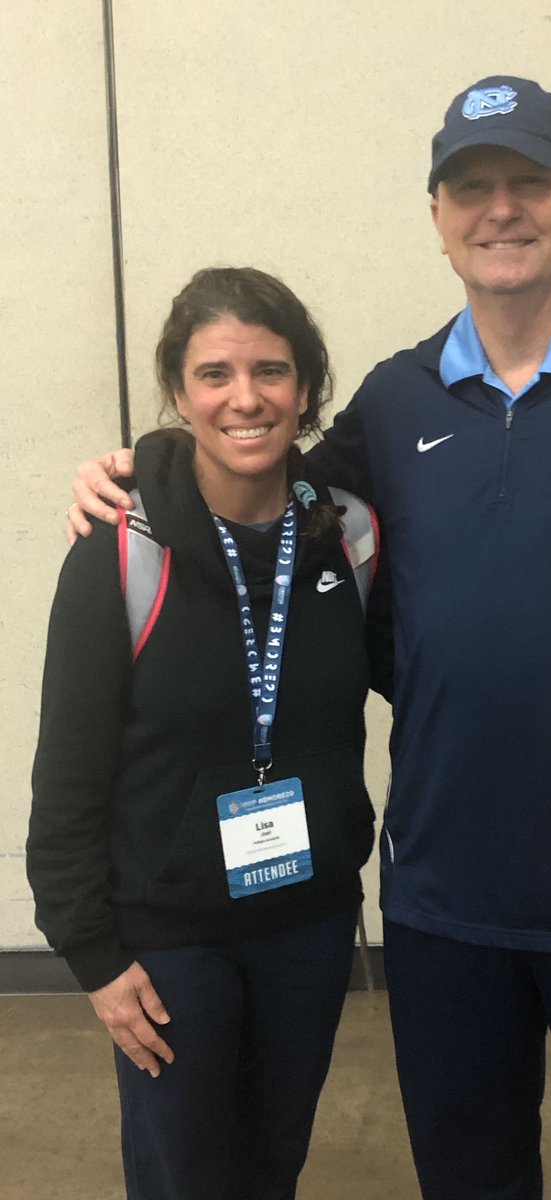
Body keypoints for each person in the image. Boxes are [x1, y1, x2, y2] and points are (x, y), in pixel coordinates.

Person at [66, 77, 551, 1200]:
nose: (502, 209)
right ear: (437, 222)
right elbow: (257, 480)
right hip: (443, 904)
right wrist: (136, 470)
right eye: (472, 187)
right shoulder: (397, 404)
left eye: (530, 181)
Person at [29, 266, 378, 1200]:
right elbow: (64, 782)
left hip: (305, 923)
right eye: (214, 374)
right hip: (166, 941)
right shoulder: (120, 550)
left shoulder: (347, 539)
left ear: (305, 390)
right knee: (185, 1179)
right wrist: (94, 959)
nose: (245, 397)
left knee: (270, 1168)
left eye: (270, 370)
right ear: (178, 393)